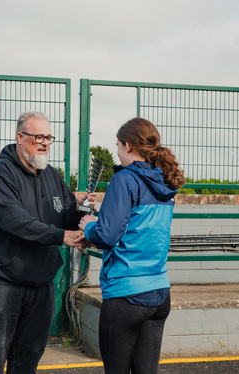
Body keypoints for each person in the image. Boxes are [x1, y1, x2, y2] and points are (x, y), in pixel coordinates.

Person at [0, 111, 91, 374]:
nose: (45, 143)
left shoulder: (51, 174)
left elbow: (65, 214)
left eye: (49, 137)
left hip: (39, 285)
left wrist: (84, 223)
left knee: (28, 359)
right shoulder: (0, 174)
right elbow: (16, 222)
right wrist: (63, 236)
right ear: (20, 137)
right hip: (0, 282)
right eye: (39, 137)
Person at [78, 117, 185, 374]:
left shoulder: (125, 179)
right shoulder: (165, 182)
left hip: (126, 295)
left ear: (128, 146)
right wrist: (104, 214)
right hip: (159, 293)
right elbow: (137, 225)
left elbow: (107, 235)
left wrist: (89, 225)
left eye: (117, 146)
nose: (117, 152)